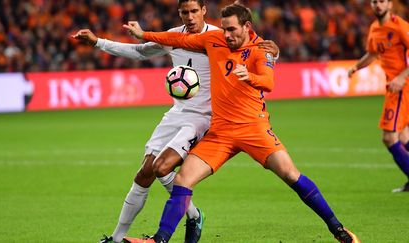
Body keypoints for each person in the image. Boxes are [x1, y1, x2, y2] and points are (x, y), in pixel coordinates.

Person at [122, 3, 360, 243]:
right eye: (224, 28)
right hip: (221, 132)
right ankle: (160, 239)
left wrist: (251, 77)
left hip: (253, 129)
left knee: (290, 174)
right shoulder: (213, 39)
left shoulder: (262, 49)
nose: (227, 34)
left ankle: (338, 229)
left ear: (247, 26)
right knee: (183, 179)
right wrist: (144, 35)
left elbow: (268, 82)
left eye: (232, 29)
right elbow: (177, 39)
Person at [72, 1, 279, 243]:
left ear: (203, 10)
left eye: (194, 11)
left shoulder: (220, 36)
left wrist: (275, 52)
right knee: (144, 174)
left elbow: (256, 48)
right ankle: (120, 238)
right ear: (179, 13)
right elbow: (140, 52)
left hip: (204, 117)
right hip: (177, 113)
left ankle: (184, 220)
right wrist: (99, 42)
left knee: (163, 167)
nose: (190, 17)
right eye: (184, 12)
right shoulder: (172, 36)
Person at [348, 0, 409, 193]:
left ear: (390, 5)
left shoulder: (400, 26)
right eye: (374, 2)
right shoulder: (375, 28)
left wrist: (401, 77)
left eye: (381, 1)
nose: (377, 5)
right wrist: (356, 67)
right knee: (404, 135)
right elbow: (372, 54)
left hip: (401, 87)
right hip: (393, 86)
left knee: (389, 137)